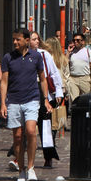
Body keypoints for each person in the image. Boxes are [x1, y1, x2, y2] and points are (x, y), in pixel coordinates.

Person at [0, 28, 51, 181]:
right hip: (14, 100)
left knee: (30, 131)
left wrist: (46, 99)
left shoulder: (36, 57)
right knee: (17, 136)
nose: (15, 42)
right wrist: (2, 103)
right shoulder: (8, 57)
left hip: (32, 99)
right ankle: (21, 169)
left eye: (18, 39)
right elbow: (4, 81)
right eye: (14, 39)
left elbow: (42, 79)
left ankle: (31, 168)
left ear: (26, 40)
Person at [30, 32, 63, 167]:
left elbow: (54, 73)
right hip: (28, 93)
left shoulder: (44, 55)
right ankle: (17, 157)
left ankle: (48, 156)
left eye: (38, 39)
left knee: (45, 126)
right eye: (34, 39)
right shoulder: (22, 56)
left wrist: (58, 91)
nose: (37, 41)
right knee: (26, 127)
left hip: (44, 93)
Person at [67, 32, 91, 101]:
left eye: (78, 40)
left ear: (83, 42)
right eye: (74, 40)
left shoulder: (88, 52)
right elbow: (65, 63)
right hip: (73, 78)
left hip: (84, 78)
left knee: (86, 100)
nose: (75, 42)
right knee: (74, 101)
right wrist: (68, 52)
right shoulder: (71, 52)